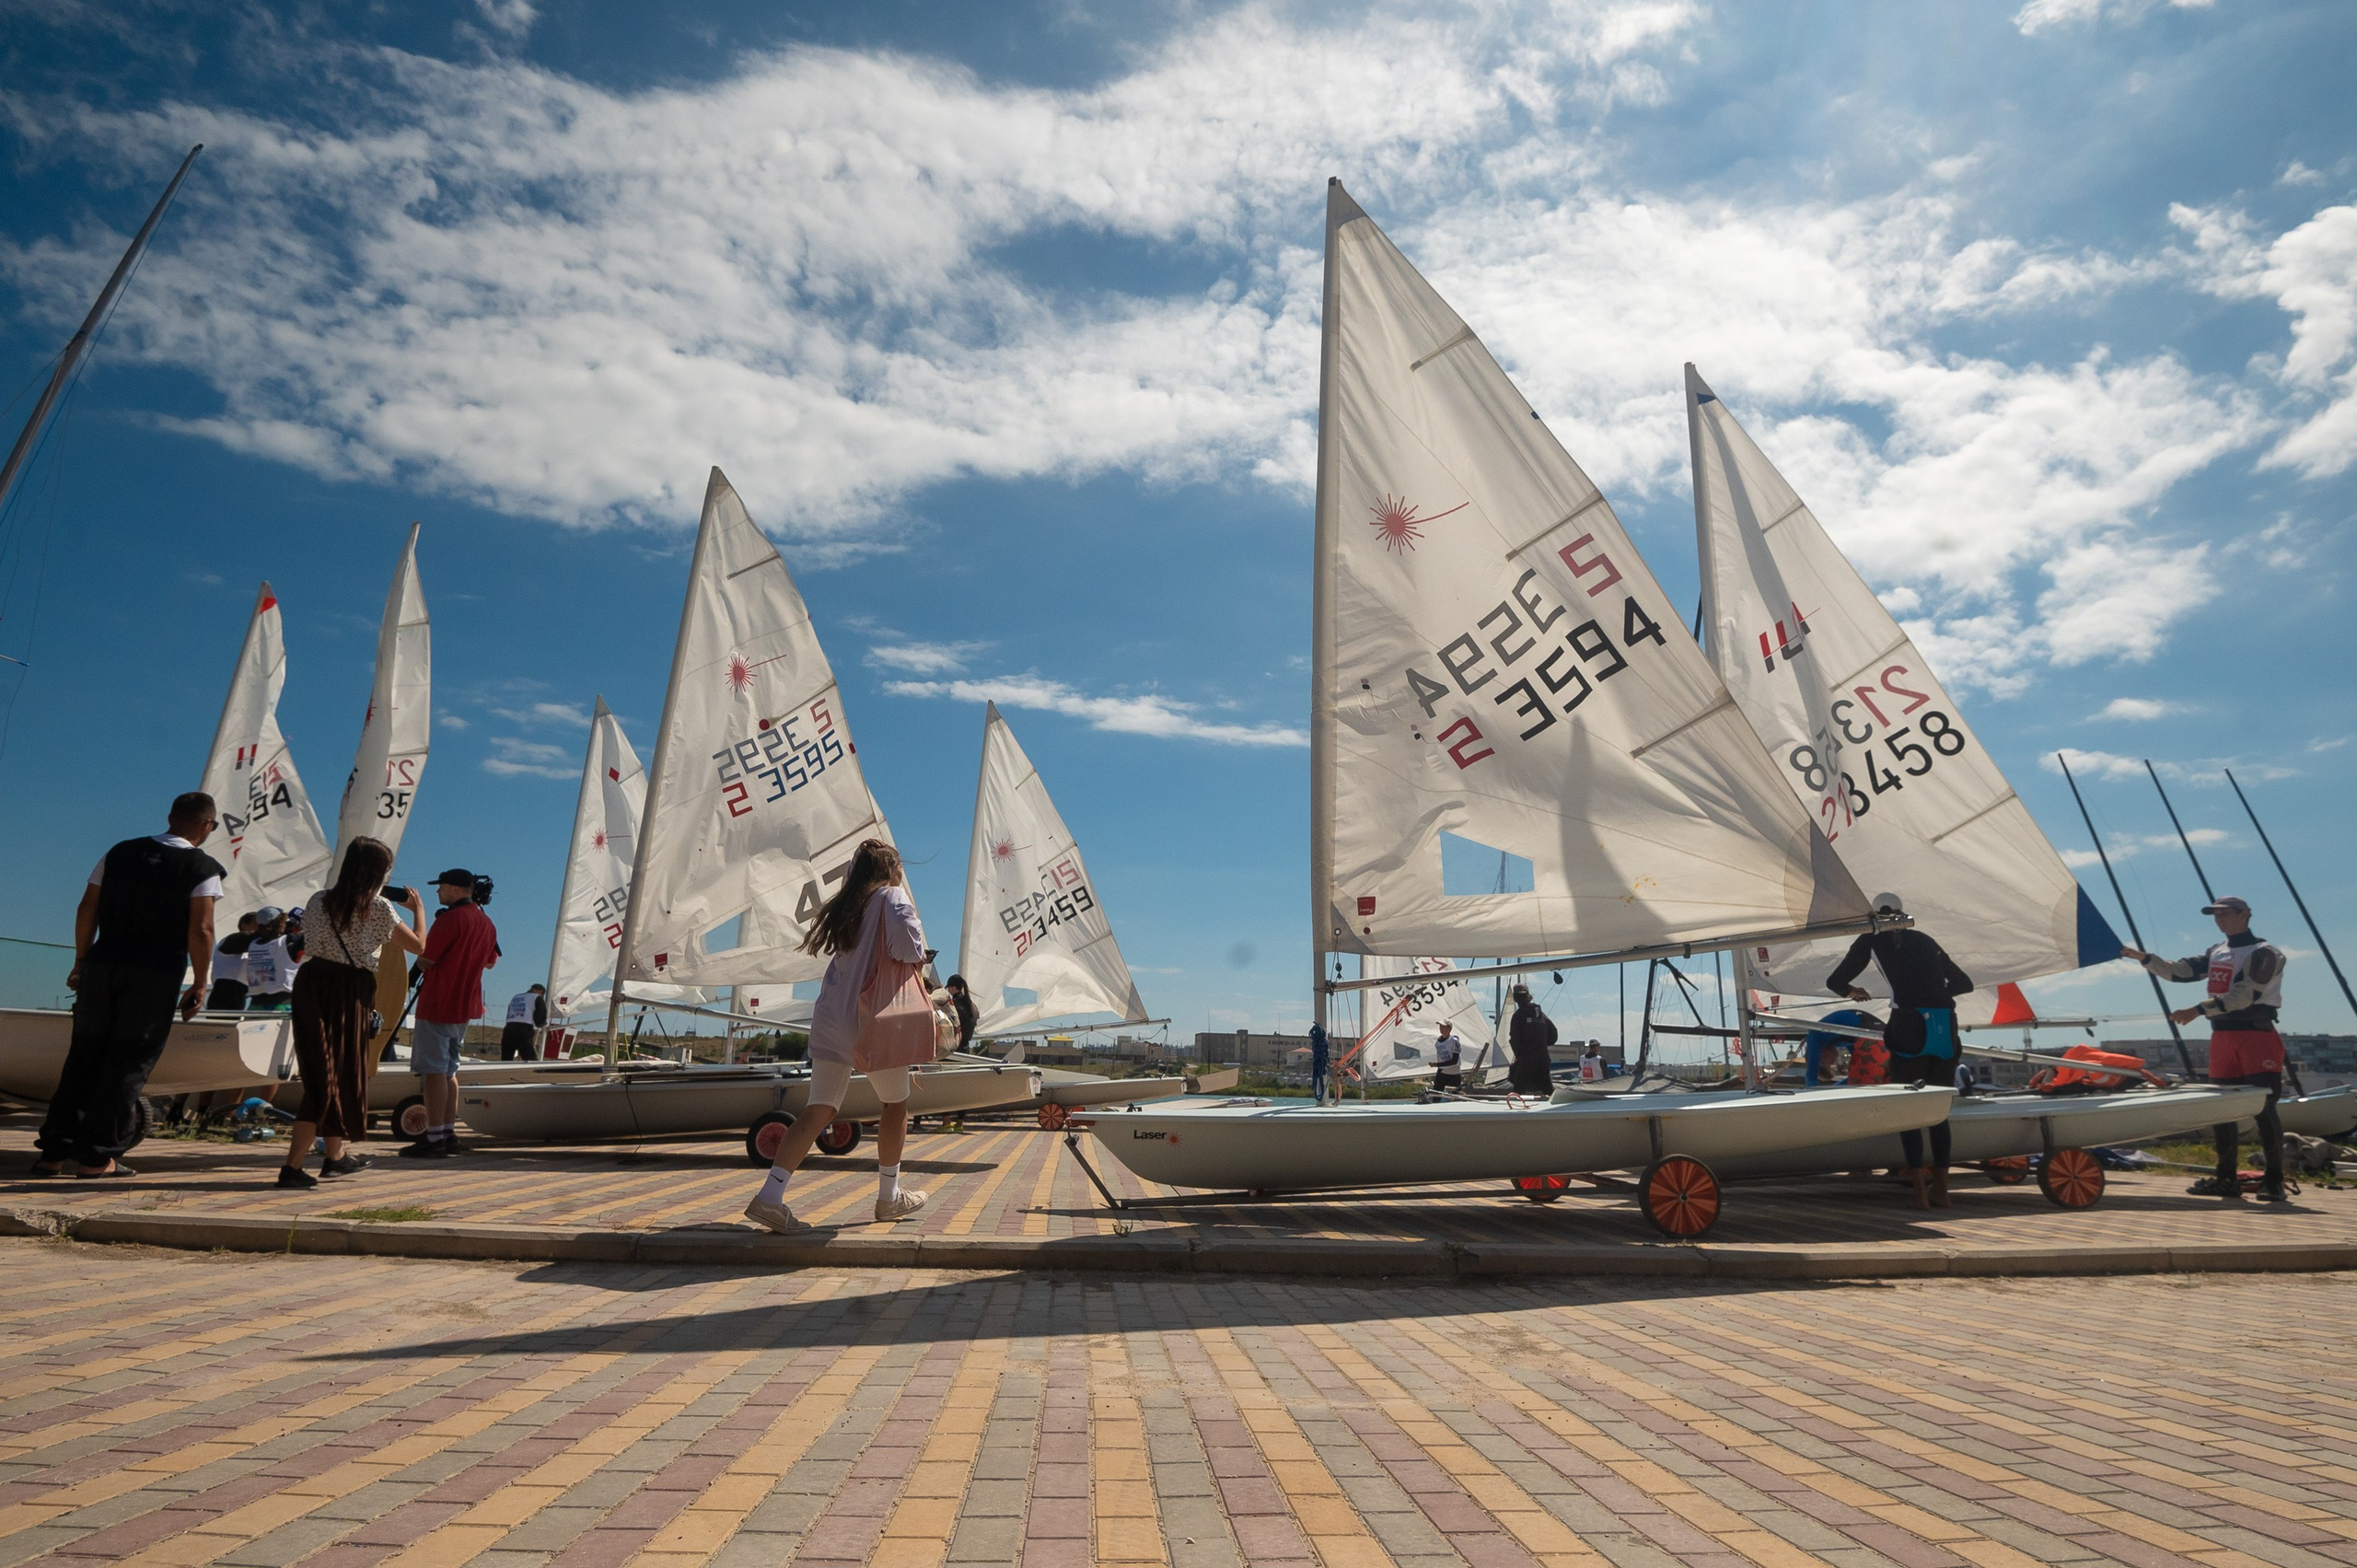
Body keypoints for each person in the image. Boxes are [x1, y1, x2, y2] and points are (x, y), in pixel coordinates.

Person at [744, 839, 932, 1233]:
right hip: (870, 1021)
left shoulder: (850, 906)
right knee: (895, 1104)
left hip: (831, 1016)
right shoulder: (892, 897)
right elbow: (910, 948)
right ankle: (888, 1196)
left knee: (820, 1109)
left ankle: (770, 1198)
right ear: (892, 869)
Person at [34, 793, 226, 1179]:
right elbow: (201, 928)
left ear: (170, 816)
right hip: (154, 971)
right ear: (207, 825)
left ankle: (52, 1155)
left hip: (104, 962)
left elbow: (87, 907)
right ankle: (96, 1158)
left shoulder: (119, 852)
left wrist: (81, 960)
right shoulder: (203, 867)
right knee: (128, 1064)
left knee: (83, 1058)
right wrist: (201, 983)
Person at [279, 837, 424, 1188]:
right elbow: (419, 946)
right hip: (349, 988)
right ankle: (293, 1167)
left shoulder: (318, 900)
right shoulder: (376, 907)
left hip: (312, 983)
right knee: (333, 1075)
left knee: (324, 1070)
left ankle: (335, 1157)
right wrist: (418, 908)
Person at [2124, 896, 2289, 1201]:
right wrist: (2144, 959)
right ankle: (2226, 1179)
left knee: (2264, 1108)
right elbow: (2180, 972)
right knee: (2222, 1110)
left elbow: (2245, 995)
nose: (2219, 919)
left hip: (2256, 1035)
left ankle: (2275, 1181)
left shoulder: (2266, 953)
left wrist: (2198, 1010)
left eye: (2225, 914)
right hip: (2222, 1038)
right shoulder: (2218, 952)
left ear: (2245, 914)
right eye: (2215, 915)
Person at [1826, 892, 1973, 1210]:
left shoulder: (1871, 939)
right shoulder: (1924, 938)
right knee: (1938, 1112)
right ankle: (1942, 1192)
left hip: (1909, 1026)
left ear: (1875, 917)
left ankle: (1920, 1194)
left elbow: (1835, 980)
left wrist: (1853, 992)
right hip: (1944, 1025)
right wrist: (1935, 996)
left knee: (1910, 1110)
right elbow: (1964, 983)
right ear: (1903, 915)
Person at [405, 867, 499, 1158]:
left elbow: (427, 958)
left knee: (433, 1071)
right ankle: (446, 1132)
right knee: (449, 1070)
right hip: (466, 1005)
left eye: (442, 887)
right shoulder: (486, 923)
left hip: (438, 1001)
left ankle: (434, 1138)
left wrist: (407, 977)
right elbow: (491, 962)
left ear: (456, 890)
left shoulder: (449, 920)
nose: (437, 892)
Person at [1802, 1007, 1882, 1088]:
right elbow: (1855, 1073)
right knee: (1863, 1071)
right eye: (1829, 1065)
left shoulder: (1815, 1037)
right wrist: (1833, 1089)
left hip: (1867, 1028)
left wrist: (1815, 1094)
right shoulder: (1836, 1041)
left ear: (1818, 1055)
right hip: (1872, 1029)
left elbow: (1811, 1077)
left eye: (1825, 1063)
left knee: (1865, 1073)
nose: (1832, 1062)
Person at [241, 906, 297, 1008]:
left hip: (255, 1005)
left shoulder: (252, 944)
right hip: (281, 1005)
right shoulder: (286, 941)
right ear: (280, 923)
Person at [1506, 984, 1556, 1097]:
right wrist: (1541, 1044)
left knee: (1517, 1092)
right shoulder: (1541, 1015)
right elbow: (1554, 1035)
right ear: (1528, 996)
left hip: (1526, 1060)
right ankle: (1558, 1111)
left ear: (1515, 998)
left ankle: (1513, 1112)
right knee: (1548, 1090)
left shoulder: (1517, 1016)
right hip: (1543, 1058)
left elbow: (1514, 1039)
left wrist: (1521, 1055)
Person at [206, 912, 260, 1011]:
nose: (261, 926)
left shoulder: (254, 947)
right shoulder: (231, 940)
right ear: (244, 925)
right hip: (224, 991)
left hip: (240, 993)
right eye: (257, 923)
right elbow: (247, 939)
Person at [500, 984, 546, 1061]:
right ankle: (535, 1069)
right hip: (524, 1028)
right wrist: (541, 1024)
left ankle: (505, 1070)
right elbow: (540, 1014)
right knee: (528, 1055)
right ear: (540, 992)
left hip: (509, 1027)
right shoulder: (537, 997)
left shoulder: (516, 997)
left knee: (507, 1056)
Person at [942, 973, 980, 1053]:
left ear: (953, 988)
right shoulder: (972, 1005)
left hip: (954, 1048)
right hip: (965, 1049)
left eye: (948, 988)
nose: (948, 990)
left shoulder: (953, 1005)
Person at [1430, 1020, 1463, 1092]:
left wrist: (1436, 1064)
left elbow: (1454, 1061)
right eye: (1440, 1026)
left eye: (1443, 1026)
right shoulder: (1438, 1041)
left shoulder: (1454, 1041)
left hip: (1454, 1073)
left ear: (1449, 1028)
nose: (1441, 1028)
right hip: (1442, 1072)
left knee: (1456, 1096)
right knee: (1436, 1095)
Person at [1308, 1022, 1329, 1103]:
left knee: (1319, 1074)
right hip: (1318, 1060)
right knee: (1318, 1074)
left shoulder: (1322, 1043)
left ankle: (1321, 1096)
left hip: (1320, 1060)